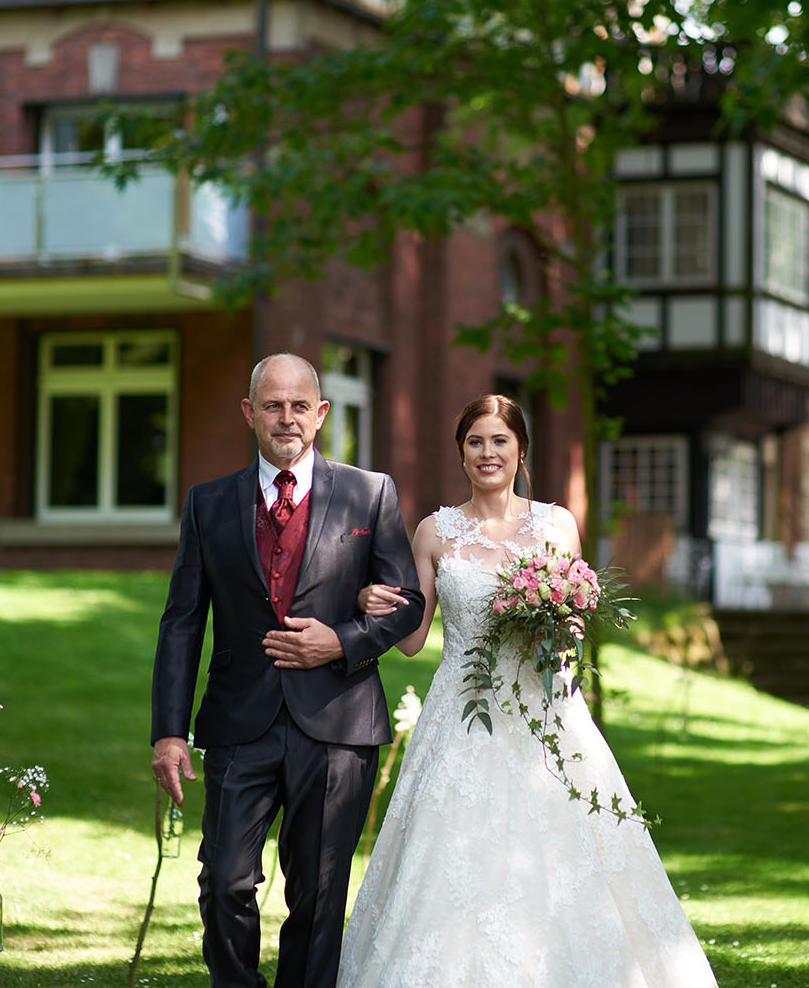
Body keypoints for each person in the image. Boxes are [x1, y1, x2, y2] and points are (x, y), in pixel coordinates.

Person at [337, 394, 718, 988]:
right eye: (475, 442)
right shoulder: (435, 530)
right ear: (461, 453)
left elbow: (572, 625)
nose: (488, 454)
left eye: (499, 441)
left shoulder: (556, 524)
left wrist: (554, 623)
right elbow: (411, 640)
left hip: (548, 712)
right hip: (461, 717)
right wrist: (369, 602)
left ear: (521, 451)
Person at [150, 353, 424, 988]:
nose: (287, 418)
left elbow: (408, 605)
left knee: (320, 898)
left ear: (321, 414)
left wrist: (343, 640)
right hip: (239, 724)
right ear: (250, 412)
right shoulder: (207, 504)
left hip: (337, 723)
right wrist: (169, 732)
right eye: (273, 405)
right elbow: (181, 622)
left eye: (300, 405)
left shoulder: (369, 492)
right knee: (224, 881)